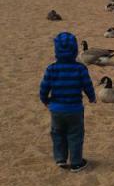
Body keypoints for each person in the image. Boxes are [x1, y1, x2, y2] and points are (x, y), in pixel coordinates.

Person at [39, 32, 96, 172]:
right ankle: (76, 162)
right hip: (75, 109)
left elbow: (44, 87)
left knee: (58, 134)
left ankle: (60, 159)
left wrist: (44, 99)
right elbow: (87, 85)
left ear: (56, 51)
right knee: (75, 135)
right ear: (75, 51)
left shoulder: (51, 69)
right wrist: (91, 97)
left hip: (56, 109)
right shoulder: (80, 68)